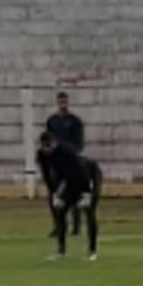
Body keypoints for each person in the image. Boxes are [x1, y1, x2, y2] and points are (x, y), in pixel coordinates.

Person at [39, 132, 101, 261]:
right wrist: (54, 193)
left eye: (49, 145)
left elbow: (81, 170)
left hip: (89, 176)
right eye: (44, 146)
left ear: (54, 143)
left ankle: (92, 251)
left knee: (89, 212)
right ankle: (61, 250)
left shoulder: (67, 151)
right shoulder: (42, 155)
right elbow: (47, 175)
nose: (47, 149)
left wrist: (87, 193)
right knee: (60, 210)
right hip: (69, 181)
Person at [46, 91, 85, 236]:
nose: (62, 105)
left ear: (68, 103)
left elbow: (79, 144)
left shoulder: (75, 121)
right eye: (60, 102)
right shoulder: (52, 121)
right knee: (54, 194)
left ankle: (76, 226)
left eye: (64, 102)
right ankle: (59, 225)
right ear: (57, 103)